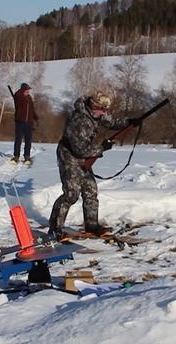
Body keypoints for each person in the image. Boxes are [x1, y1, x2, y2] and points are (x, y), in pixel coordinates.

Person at [48, 91, 139, 240]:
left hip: (84, 156)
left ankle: (91, 225)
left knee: (90, 190)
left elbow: (112, 122)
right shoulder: (79, 120)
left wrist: (129, 122)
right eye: (103, 110)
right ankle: (55, 228)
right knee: (71, 194)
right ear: (94, 106)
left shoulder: (96, 113)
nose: (105, 113)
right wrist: (102, 147)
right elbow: (80, 149)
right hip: (69, 156)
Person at [11, 82, 38, 164]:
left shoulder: (29, 98)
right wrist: (21, 91)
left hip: (29, 123)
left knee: (28, 140)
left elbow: (32, 109)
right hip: (20, 122)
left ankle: (27, 156)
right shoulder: (19, 97)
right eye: (26, 90)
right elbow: (16, 95)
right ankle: (16, 156)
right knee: (18, 139)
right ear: (23, 90)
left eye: (28, 90)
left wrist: (36, 118)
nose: (28, 91)